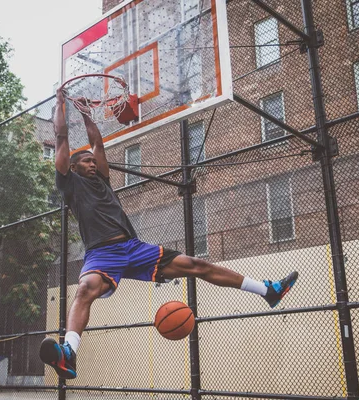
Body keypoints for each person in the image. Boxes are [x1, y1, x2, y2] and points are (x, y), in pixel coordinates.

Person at [39, 89, 298, 379]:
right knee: (85, 289)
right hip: (102, 254)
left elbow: (97, 141)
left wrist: (87, 113)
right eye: (86, 161)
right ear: (73, 167)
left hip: (134, 248)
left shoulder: (103, 180)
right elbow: (61, 139)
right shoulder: (70, 184)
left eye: (92, 160)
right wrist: (61, 105)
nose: (92, 163)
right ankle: (69, 353)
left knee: (197, 265)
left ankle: (269, 291)